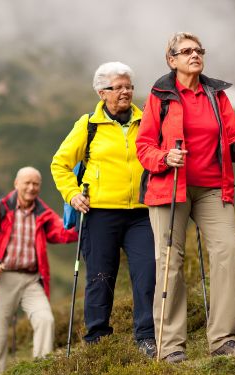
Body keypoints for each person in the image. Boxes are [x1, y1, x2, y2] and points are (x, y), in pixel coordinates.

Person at [136, 32, 235, 363]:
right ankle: (170, 348)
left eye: (199, 51)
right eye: (187, 51)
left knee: (227, 252)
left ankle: (223, 340)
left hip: (212, 187)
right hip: (170, 187)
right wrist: (166, 158)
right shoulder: (160, 96)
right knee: (171, 264)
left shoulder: (215, 94)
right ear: (172, 59)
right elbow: (144, 146)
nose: (195, 55)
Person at [51, 62, 157, 357]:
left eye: (129, 87)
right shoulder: (88, 125)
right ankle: (97, 338)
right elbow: (59, 164)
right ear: (102, 93)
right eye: (118, 87)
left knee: (147, 272)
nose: (125, 92)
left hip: (141, 212)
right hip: (99, 213)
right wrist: (72, 194)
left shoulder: (146, 119)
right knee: (100, 277)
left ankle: (146, 336)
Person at [0, 166, 78, 375]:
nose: (31, 188)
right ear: (16, 184)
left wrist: (83, 224)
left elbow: (61, 232)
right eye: (27, 183)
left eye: (36, 184)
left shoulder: (42, 212)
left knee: (45, 320)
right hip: (5, 277)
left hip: (32, 279)